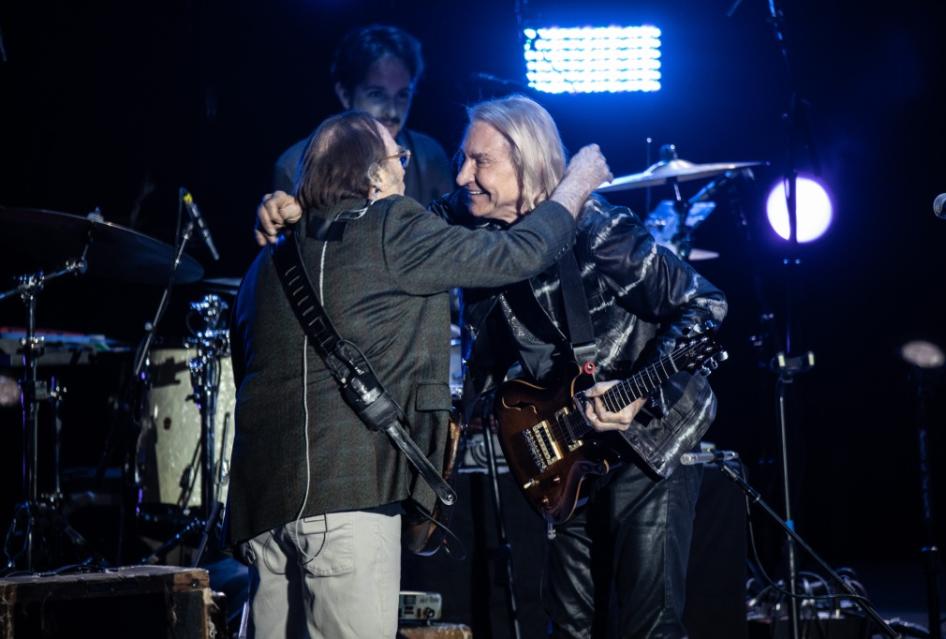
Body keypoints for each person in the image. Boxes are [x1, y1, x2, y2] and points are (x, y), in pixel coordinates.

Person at [257, 95, 728, 638]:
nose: (462, 175)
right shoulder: (465, 219)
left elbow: (707, 306)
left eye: (480, 161)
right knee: (569, 624)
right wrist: (293, 205)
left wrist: (645, 391)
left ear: (526, 160)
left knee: (646, 626)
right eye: (462, 159)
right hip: (569, 447)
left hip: (648, 440)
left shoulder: (600, 228)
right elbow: (370, 220)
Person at [233, 109, 611, 638]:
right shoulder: (392, 225)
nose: (406, 171)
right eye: (397, 158)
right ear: (372, 176)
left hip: (263, 511)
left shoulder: (263, 265)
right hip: (348, 501)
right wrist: (575, 185)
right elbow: (519, 253)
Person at [273, 24, 452, 206]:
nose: (392, 111)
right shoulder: (295, 165)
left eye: (402, 95)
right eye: (376, 94)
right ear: (344, 93)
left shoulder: (430, 156)